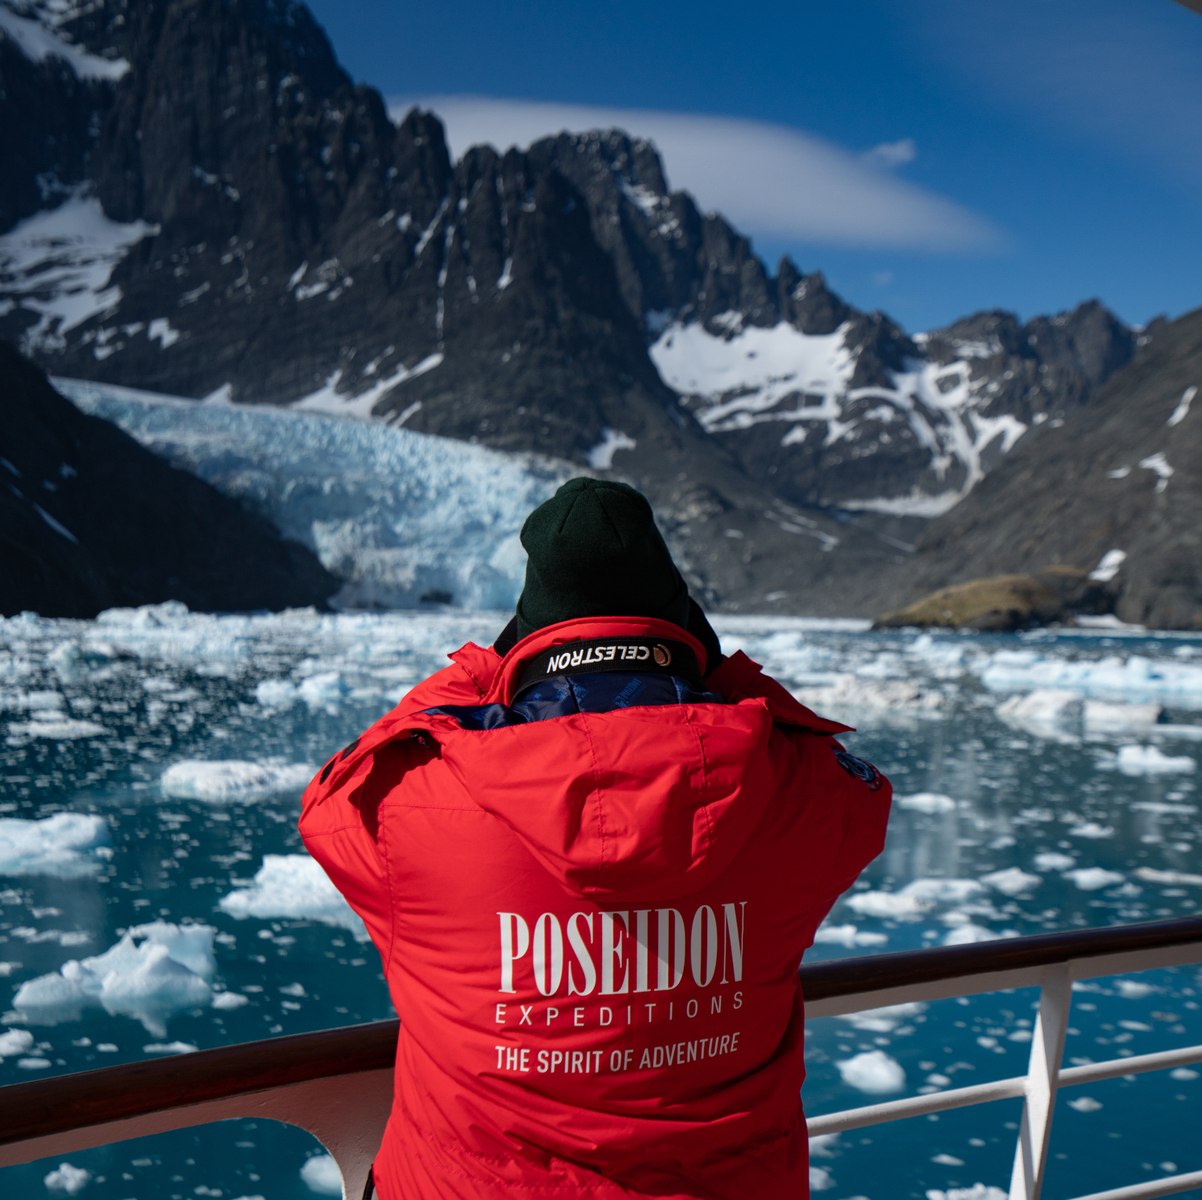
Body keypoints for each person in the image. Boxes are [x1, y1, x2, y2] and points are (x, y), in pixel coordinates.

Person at [301, 478, 891, 1200]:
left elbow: (331, 799)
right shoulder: (802, 796)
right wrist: (724, 675)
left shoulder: (408, 806)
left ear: (527, 628)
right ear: (683, 622)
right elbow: (861, 791)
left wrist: (486, 670)